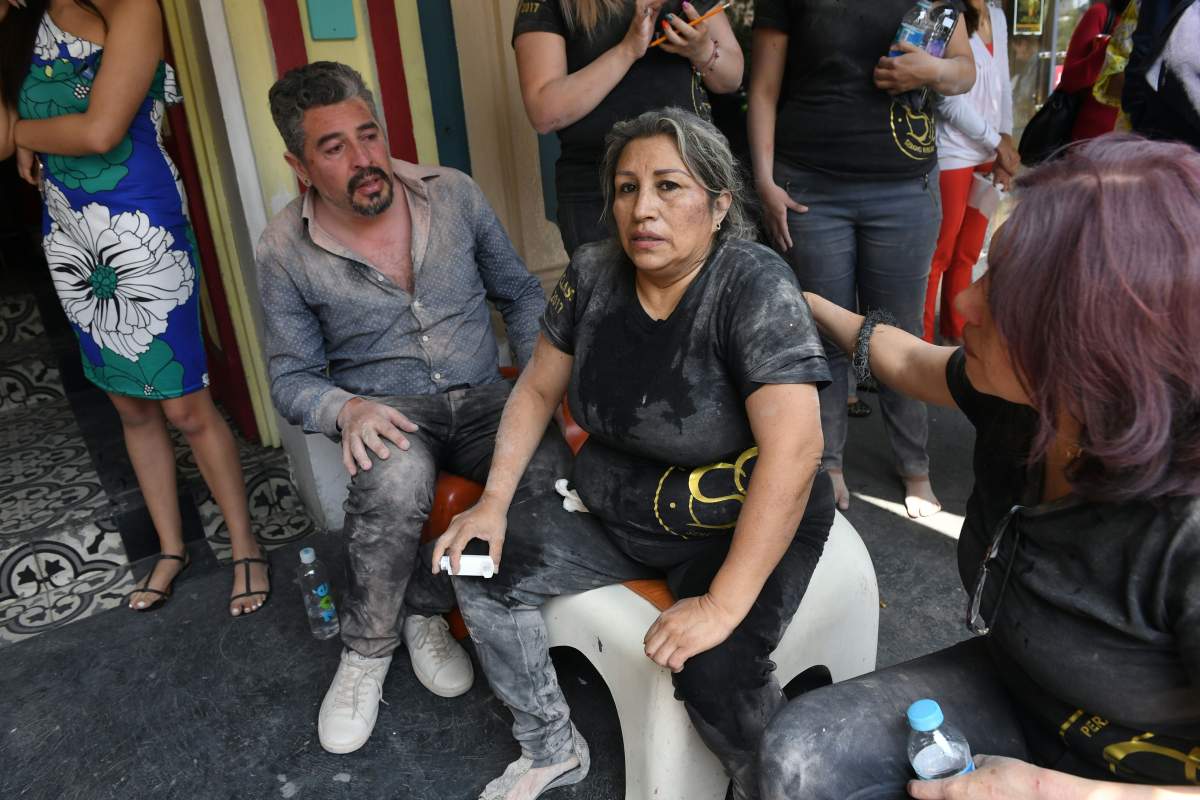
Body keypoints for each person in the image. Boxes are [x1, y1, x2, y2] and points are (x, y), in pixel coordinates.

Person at [758, 135, 1200, 800]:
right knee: (795, 758)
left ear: (1101, 344)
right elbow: (909, 361)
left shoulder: (1186, 529)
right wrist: (796, 299)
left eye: (1013, 294)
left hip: (1144, 779)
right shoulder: (1033, 399)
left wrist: (1055, 793)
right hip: (1028, 689)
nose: (965, 302)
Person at [431, 108, 834, 800]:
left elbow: (795, 452)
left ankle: (784, 787)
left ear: (718, 205)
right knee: (478, 563)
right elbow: (532, 391)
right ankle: (551, 746)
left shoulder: (751, 284)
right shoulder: (591, 274)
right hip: (608, 505)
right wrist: (494, 503)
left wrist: (722, 604)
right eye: (626, 188)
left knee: (717, 671)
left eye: (669, 187)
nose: (642, 208)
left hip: (731, 523)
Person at [256, 62, 571, 755]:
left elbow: (520, 293)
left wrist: (538, 381)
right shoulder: (285, 249)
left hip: (489, 397)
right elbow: (291, 377)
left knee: (547, 474)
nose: (365, 159)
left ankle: (426, 604)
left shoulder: (452, 193)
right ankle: (367, 651)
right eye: (334, 147)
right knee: (392, 481)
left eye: (369, 135)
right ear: (299, 164)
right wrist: (346, 411)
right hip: (394, 412)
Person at [0, 0, 268, 616]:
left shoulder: (133, 7)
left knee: (184, 404)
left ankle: (246, 546)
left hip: (141, 218)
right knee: (129, 402)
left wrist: (26, 133)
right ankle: (171, 549)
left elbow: (101, 130)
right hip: (70, 229)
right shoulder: (20, 25)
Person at [748, 0, 975, 517]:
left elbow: (964, 70)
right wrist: (763, 181)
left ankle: (914, 465)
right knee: (820, 333)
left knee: (901, 332)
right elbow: (762, 88)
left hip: (903, 189)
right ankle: (825, 462)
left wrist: (933, 70)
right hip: (809, 186)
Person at [512, 0, 742, 256]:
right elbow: (545, 112)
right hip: (601, 191)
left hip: (689, 178)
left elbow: (731, 78)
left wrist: (702, 51)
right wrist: (628, 49)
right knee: (615, 292)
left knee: (706, 291)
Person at [924, 0, 1016, 345]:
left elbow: (1004, 83)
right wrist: (996, 141)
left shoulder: (999, 16)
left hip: (989, 151)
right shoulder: (947, 12)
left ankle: (958, 338)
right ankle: (921, 344)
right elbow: (945, 98)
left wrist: (1004, 145)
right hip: (953, 153)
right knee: (940, 254)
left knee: (968, 253)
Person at [1059, 0, 1132, 142]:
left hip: (1133, 144)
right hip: (1089, 141)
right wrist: (1110, 48)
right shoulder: (1101, 14)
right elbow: (1069, 80)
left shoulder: (1164, 28)